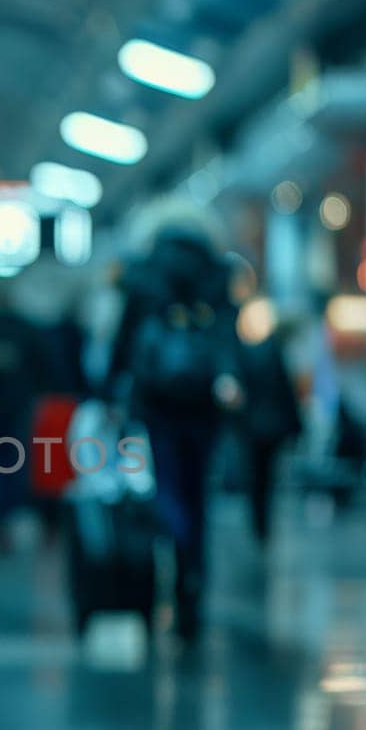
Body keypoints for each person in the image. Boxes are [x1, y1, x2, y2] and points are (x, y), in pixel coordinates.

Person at [110, 226, 241, 643]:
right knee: (199, 490)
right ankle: (193, 575)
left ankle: (175, 546)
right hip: (204, 404)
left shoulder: (145, 275)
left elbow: (125, 340)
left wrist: (110, 391)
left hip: (158, 402)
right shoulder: (216, 274)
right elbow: (228, 336)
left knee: (165, 483)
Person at [235, 322, 302, 543]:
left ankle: (258, 524)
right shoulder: (276, 360)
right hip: (271, 430)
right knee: (267, 479)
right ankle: (263, 525)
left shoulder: (252, 357)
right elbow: (287, 397)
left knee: (256, 478)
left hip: (253, 428)